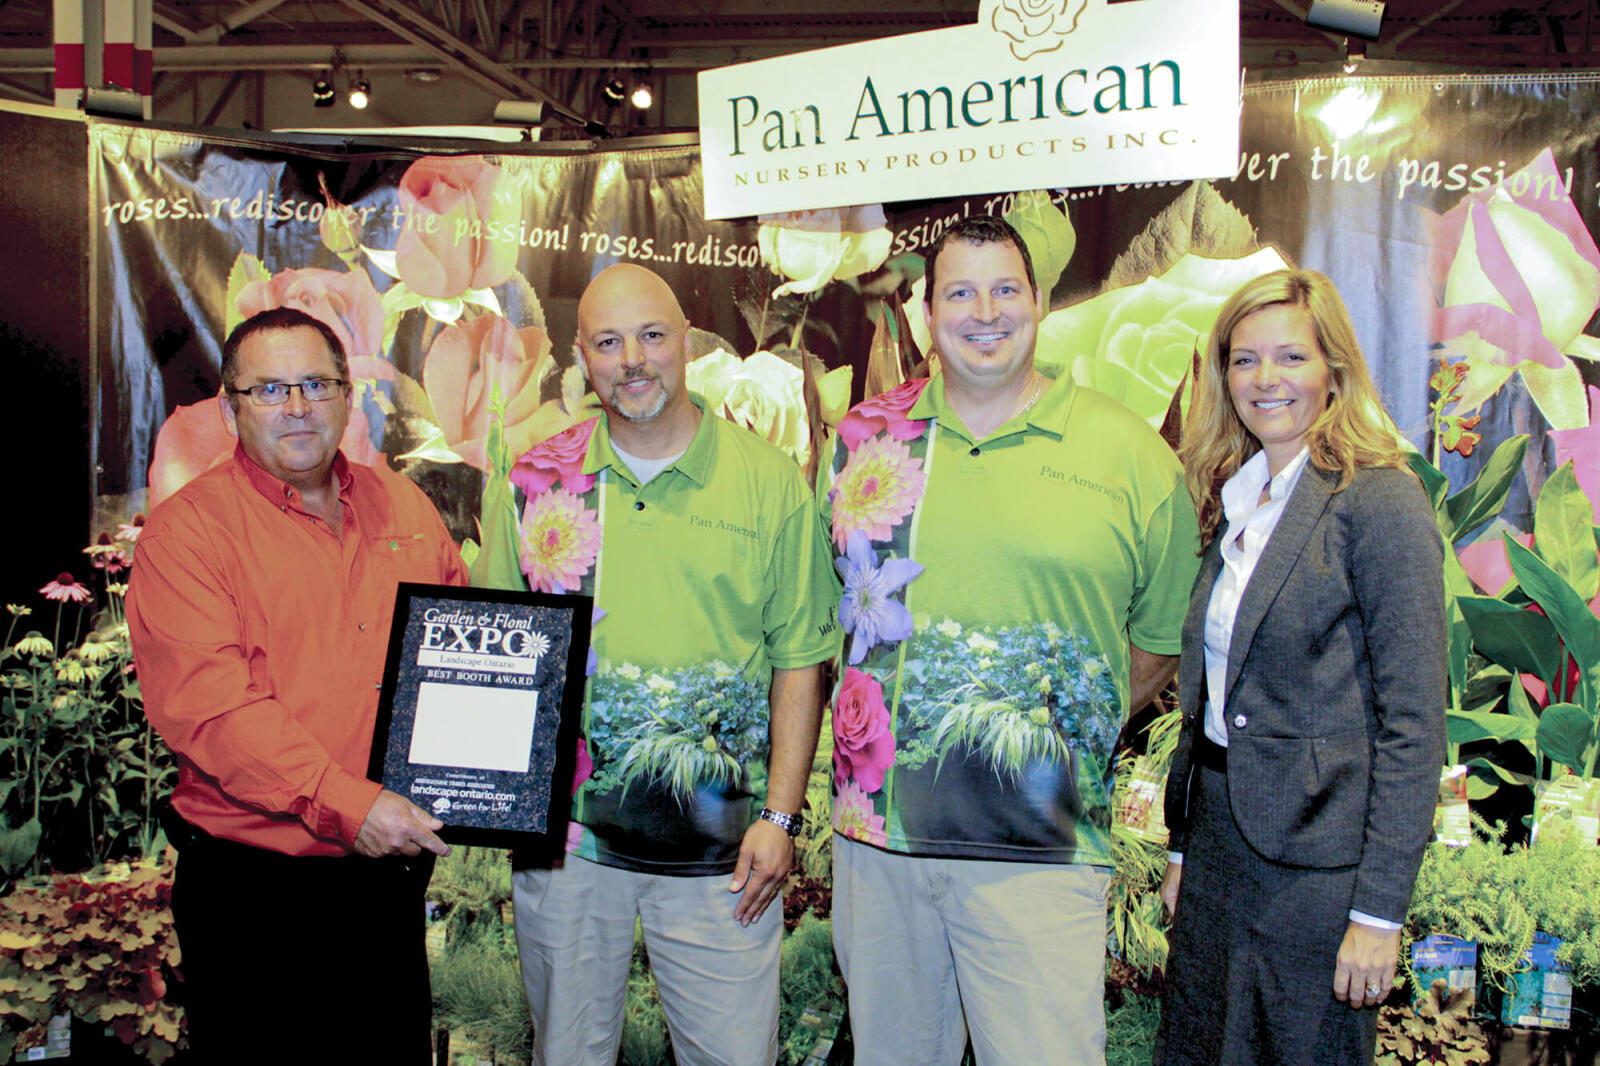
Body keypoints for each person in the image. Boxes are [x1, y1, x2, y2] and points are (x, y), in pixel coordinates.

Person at [816, 215, 1201, 1065]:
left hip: (1042, 848)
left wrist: (1049, 721)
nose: (984, 312)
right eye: (960, 291)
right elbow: (827, 621)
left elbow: (1156, 644)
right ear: (926, 313)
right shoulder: (860, 444)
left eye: (1005, 290)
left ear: (1040, 302)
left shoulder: (1129, 453)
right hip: (879, 851)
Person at [480, 263, 838, 1066]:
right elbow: (497, 643)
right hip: (565, 847)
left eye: (651, 336)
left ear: (686, 344)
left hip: (722, 851)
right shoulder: (536, 480)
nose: (632, 360)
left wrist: (779, 818)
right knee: (567, 1053)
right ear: (581, 358)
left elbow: (800, 659)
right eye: (609, 342)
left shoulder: (770, 483)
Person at [126, 307, 468, 1063]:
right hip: (254, 897)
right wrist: (354, 805)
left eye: (316, 383)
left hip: (381, 887)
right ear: (229, 408)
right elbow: (217, 713)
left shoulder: (404, 507)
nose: (297, 406)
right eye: (270, 389)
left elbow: (458, 659)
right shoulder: (187, 536)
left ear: (349, 396)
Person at [1156, 269, 1447, 1064]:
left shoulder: (1380, 499)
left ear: (1335, 371)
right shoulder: (1238, 496)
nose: (1265, 380)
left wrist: (1379, 915)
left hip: (1319, 873)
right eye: (1244, 361)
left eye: (1290, 357)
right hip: (1218, 846)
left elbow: (1415, 725)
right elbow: (1212, 695)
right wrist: (1184, 847)